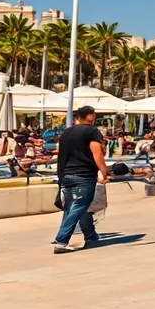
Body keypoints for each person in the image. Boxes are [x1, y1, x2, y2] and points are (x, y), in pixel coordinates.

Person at [52, 106, 109, 253]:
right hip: (83, 176)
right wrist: (104, 172)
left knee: (75, 208)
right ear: (92, 117)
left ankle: (91, 236)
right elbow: (97, 153)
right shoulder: (92, 131)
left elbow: (62, 156)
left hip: (66, 176)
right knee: (78, 208)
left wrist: (61, 177)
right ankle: (61, 241)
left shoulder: (66, 133)